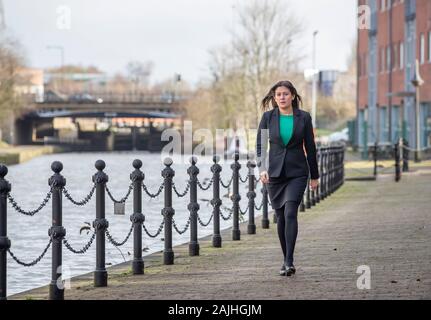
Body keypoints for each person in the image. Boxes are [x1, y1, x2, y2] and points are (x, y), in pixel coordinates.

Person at [256, 80, 319, 276]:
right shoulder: (268, 118)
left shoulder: (304, 118)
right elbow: (260, 146)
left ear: (292, 95)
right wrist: (262, 168)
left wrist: (314, 176)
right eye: (278, 95)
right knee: (281, 216)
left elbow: (310, 148)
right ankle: (285, 259)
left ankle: (289, 261)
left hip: (297, 172)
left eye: (285, 94)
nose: (282, 97)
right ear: (274, 98)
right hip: (274, 174)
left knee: (291, 212)